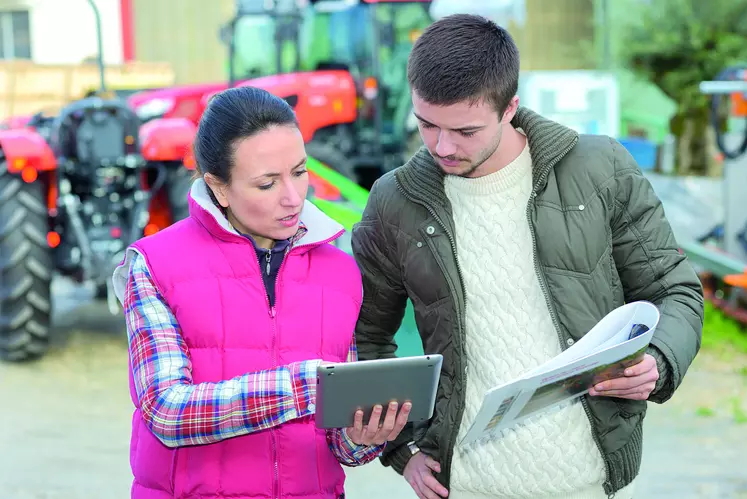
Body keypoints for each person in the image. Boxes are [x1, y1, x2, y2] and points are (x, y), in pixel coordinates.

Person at [351, 13, 703, 499]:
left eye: (465, 130)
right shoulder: (394, 201)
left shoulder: (598, 169)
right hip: (464, 485)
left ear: (510, 107)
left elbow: (674, 291)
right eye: (426, 124)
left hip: (584, 478)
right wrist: (402, 453)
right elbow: (366, 339)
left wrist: (660, 359)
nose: (442, 145)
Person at [111, 85, 411, 499]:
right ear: (218, 187)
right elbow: (167, 410)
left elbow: (338, 445)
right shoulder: (154, 264)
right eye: (267, 184)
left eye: (300, 172)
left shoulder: (341, 272)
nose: (293, 198)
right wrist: (306, 385)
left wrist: (363, 436)